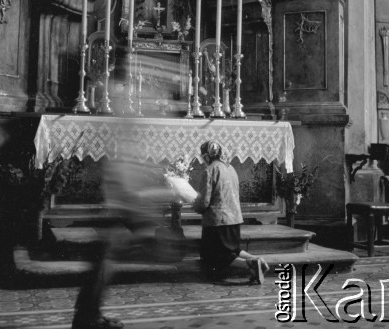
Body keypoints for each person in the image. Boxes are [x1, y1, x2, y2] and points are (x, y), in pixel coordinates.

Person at [71, 137, 175, 329]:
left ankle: (91, 316)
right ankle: (87, 319)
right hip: (114, 223)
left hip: (118, 224)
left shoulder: (124, 167)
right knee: (100, 271)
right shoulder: (121, 168)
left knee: (102, 272)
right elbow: (129, 197)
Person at [193, 140, 269, 283]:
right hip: (234, 218)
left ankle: (251, 264)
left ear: (207, 156)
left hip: (218, 220)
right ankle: (258, 259)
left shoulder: (210, 170)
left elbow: (204, 202)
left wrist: (195, 205)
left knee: (215, 254)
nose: (203, 160)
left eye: (203, 157)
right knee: (233, 250)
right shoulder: (231, 168)